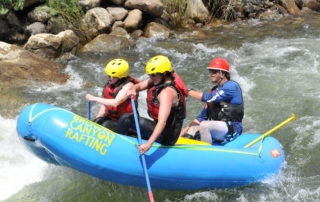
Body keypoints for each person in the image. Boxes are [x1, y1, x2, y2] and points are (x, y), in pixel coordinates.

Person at [116, 55, 188, 154]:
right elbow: (139, 86)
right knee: (126, 122)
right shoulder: (157, 80)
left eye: (153, 75)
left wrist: (148, 144)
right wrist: (132, 89)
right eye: (149, 75)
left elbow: (162, 122)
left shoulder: (167, 93)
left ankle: (114, 147)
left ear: (164, 73)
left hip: (166, 137)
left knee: (126, 118)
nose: (151, 78)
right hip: (158, 128)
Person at [180, 58, 244, 145]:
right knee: (191, 130)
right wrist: (185, 130)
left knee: (205, 125)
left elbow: (208, 97)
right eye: (210, 71)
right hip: (218, 128)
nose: (211, 74)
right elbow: (201, 117)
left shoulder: (232, 86)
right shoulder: (214, 91)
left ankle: (206, 152)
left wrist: (186, 91)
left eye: (214, 71)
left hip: (233, 128)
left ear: (223, 73)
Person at [85, 58, 139, 130]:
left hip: (127, 122)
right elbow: (105, 106)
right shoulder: (111, 84)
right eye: (108, 76)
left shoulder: (128, 86)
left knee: (106, 125)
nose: (109, 78)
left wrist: (94, 98)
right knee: (97, 121)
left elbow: (115, 103)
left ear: (121, 77)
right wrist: (97, 120)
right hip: (112, 118)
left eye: (113, 77)